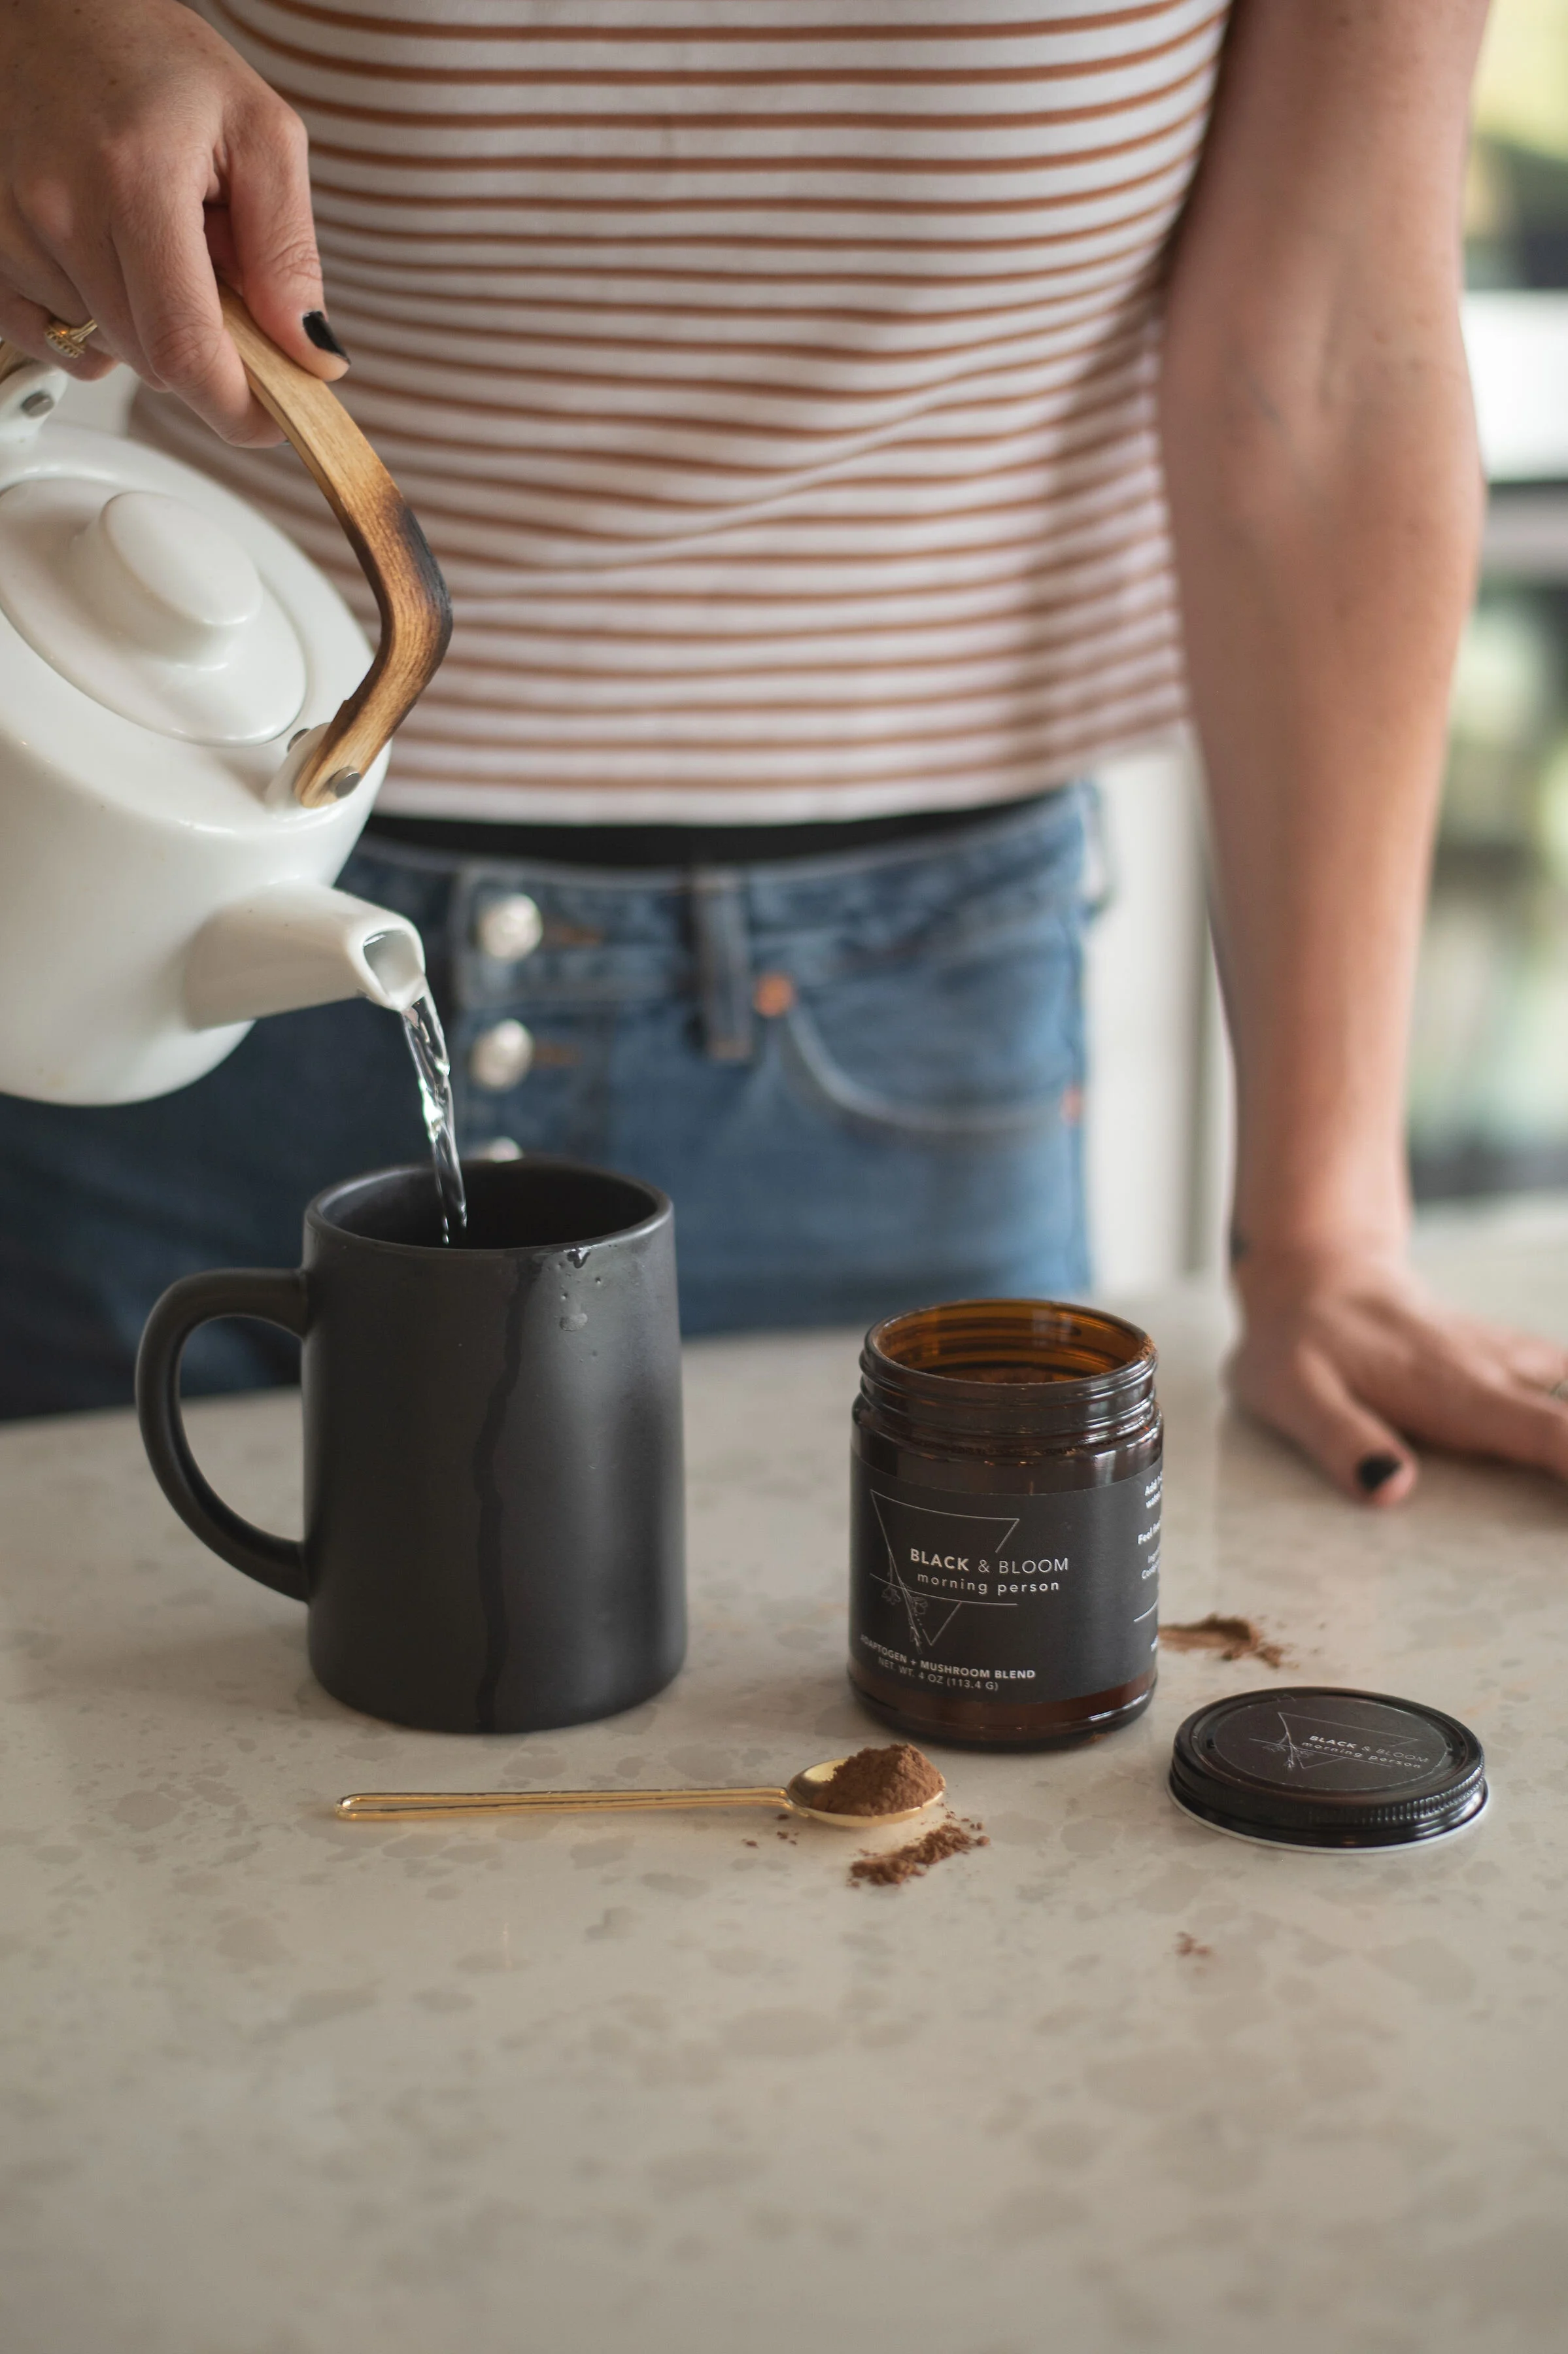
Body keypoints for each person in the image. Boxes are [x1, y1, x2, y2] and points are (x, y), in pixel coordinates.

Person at [3, 0, 1565, 1507]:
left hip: (899, 1025)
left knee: (936, 1676)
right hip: (177, 945)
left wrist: (1325, 1230)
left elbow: (1332, 360)